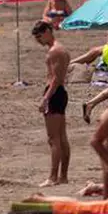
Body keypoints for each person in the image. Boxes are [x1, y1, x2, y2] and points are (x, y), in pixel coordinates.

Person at [32, 21, 70, 187]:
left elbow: (55, 79)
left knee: (53, 138)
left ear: (48, 31)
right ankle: (63, 176)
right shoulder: (61, 49)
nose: (39, 41)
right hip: (60, 93)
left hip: (54, 93)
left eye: (40, 36)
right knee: (61, 137)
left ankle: (53, 177)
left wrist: (45, 98)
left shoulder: (55, 51)